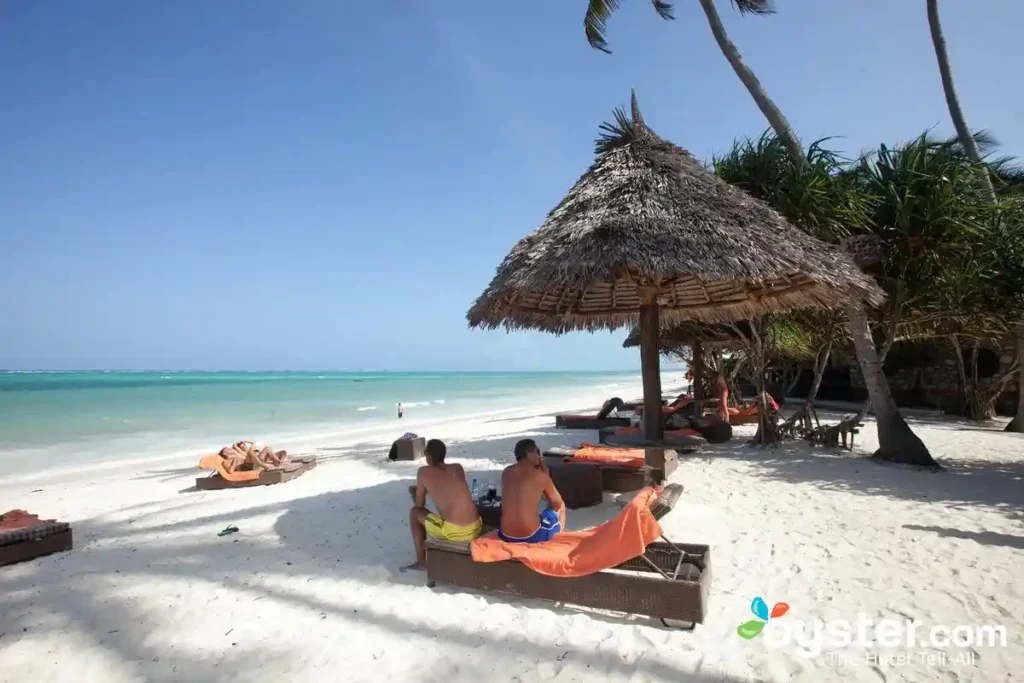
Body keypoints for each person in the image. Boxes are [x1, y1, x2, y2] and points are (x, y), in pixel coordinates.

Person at [401, 439, 481, 571]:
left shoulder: (423, 472)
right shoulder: (457, 468)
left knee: (414, 513)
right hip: (476, 526)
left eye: (426, 454)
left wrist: (414, 493)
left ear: (430, 457)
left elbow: (420, 504)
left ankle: (421, 562)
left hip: (456, 532)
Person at [499, 439, 566, 544]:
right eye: (537, 452)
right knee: (561, 506)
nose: (540, 456)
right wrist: (547, 476)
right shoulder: (540, 476)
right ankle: (560, 539)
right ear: (529, 455)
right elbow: (557, 503)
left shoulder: (506, 472)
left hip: (505, 534)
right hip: (531, 535)